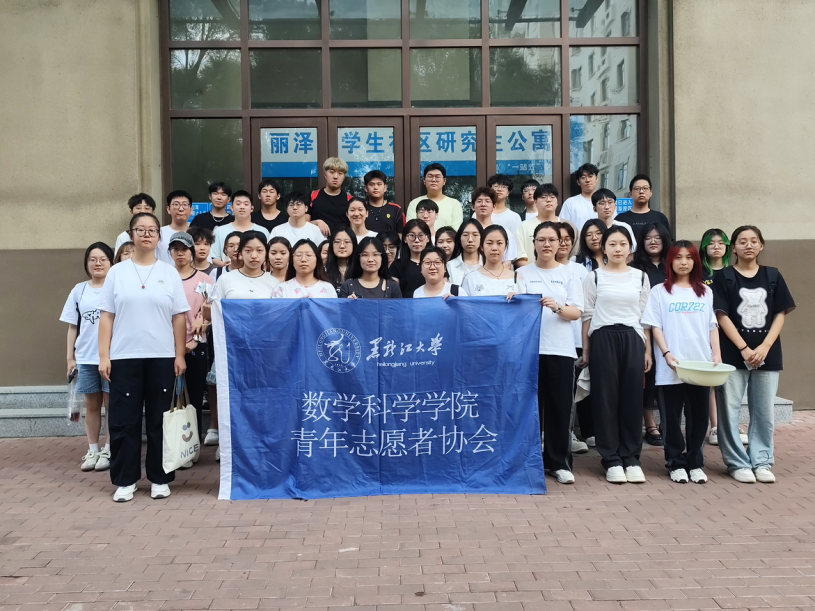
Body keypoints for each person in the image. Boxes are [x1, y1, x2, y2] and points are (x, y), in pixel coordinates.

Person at [97, 212, 190, 502]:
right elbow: (107, 316)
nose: (146, 234)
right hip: (124, 355)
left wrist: (179, 354)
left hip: (162, 355)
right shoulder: (117, 272)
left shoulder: (169, 272)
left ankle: (160, 478)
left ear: (159, 237)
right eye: (140, 229)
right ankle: (126, 480)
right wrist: (104, 356)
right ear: (131, 235)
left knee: (160, 419)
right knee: (124, 419)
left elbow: (178, 317)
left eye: (152, 230)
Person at [712, 226, 795, 484]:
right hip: (732, 354)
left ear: (761, 245)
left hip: (767, 354)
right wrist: (744, 349)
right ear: (733, 248)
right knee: (729, 411)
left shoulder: (773, 275)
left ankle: (761, 460)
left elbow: (780, 313)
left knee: (764, 412)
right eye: (742, 241)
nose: (748, 245)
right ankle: (737, 462)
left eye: (754, 241)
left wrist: (765, 347)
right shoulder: (723, 276)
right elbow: (721, 315)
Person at [642, 241, 719, 485]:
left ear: (695, 261)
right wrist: (666, 353)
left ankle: (695, 463)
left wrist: (716, 355)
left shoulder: (705, 291)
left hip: (700, 365)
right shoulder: (659, 291)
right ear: (670, 261)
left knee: (699, 418)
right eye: (678, 257)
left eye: (689, 257)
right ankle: (675, 463)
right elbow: (655, 325)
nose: (683, 262)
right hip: (671, 366)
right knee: (671, 419)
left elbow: (712, 326)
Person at [581, 225, 651, 484]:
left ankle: (631, 458)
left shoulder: (640, 277)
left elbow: (645, 317)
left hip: (633, 339)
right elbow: (587, 315)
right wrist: (586, 350)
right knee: (605, 400)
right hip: (603, 339)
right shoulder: (594, 277)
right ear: (604, 248)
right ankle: (611, 459)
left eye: (623, 244)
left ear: (630, 248)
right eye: (612, 244)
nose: (618, 249)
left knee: (632, 399)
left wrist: (648, 350)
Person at [517, 222, 584, 484]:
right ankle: (528, 461)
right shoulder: (522, 273)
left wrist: (557, 307)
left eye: (552, 240)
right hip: (529, 351)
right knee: (528, 409)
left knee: (560, 408)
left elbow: (576, 312)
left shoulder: (570, 274)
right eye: (541, 239)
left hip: (560, 349)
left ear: (560, 244)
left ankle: (559, 463)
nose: (547, 244)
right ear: (533, 243)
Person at [201, 231, 279, 454]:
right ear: (239, 253)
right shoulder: (226, 280)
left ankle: (256, 443)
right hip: (232, 349)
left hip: (263, 351)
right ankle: (228, 445)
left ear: (266, 253)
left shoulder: (274, 283)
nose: (254, 255)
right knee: (232, 397)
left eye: (259, 250)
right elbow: (211, 312)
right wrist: (206, 312)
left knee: (258, 398)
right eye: (248, 250)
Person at [60, 242, 115, 472]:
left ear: (111, 262)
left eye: (103, 259)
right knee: (92, 405)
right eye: (93, 259)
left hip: (112, 357)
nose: (98, 263)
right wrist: (70, 358)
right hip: (86, 358)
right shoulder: (79, 290)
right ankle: (93, 449)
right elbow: (73, 327)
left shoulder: (116, 287)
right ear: (87, 263)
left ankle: (109, 449)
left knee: (111, 405)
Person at [168, 232, 214, 459]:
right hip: (166, 348)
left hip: (196, 346)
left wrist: (195, 338)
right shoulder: (164, 278)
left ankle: (191, 448)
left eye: (184, 249)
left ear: (192, 252)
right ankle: (172, 446)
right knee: (168, 399)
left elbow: (210, 311)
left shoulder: (205, 280)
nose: (180, 253)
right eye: (175, 249)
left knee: (193, 398)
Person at [629, 221, 673, 446]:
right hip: (644, 330)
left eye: (657, 237)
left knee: (669, 378)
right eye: (648, 238)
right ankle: (650, 423)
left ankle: (668, 422)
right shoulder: (635, 268)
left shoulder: (673, 265)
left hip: (672, 330)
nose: (653, 241)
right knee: (649, 377)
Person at [555, 222, 591, 453]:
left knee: (572, 392)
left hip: (575, 339)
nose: (563, 243)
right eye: (558, 238)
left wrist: (586, 346)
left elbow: (586, 311)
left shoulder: (580, 271)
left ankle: (569, 434)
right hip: (550, 342)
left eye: (568, 239)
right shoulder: (535, 270)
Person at [699, 228, 738, 446]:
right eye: (711, 243)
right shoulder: (699, 274)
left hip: (731, 333)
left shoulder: (733, 272)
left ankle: (730, 424)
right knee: (712, 379)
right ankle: (714, 426)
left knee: (730, 380)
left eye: (721, 243)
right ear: (704, 247)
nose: (716, 246)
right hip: (706, 332)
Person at [515, 183, 573, 266]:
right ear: (535, 202)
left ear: (557, 202)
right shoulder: (523, 226)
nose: (548, 200)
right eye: (543, 197)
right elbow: (519, 257)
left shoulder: (568, 226)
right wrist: (536, 271)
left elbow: (574, 255)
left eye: (552, 197)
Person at [460, 226, 527, 297]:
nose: (494, 248)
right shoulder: (470, 279)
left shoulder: (517, 278)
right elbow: (464, 303)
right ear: (481, 246)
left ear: (506, 246)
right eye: (489, 243)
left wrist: (518, 299)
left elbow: (525, 303)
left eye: (499, 243)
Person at [211, 190, 270, 266]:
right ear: (232, 207)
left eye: (246, 204)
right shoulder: (220, 231)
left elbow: (268, 257)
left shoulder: (262, 231)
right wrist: (226, 266)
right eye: (238, 204)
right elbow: (214, 257)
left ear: (252, 208)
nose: (242, 207)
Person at [406, 163, 463, 229]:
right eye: (430, 177)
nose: (433, 180)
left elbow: (456, 230)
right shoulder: (414, 203)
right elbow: (411, 229)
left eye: (437, 177)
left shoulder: (454, 204)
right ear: (424, 180)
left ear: (444, 181)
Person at [274, 239, 338, 298]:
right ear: (292, 260)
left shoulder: (328, 288)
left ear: (317, 260)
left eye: (308, 255)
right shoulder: (281, 289)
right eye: (298, 255)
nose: (303, 259)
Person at [471, 187, 518, 264]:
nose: (483, 204)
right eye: (479, 201)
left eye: (487, 201)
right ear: (473, 206)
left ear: (494, 206)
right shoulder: (467, 233)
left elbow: (507, 263)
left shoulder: (505, 233)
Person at [616, 174, 672, 239]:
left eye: (645, 188)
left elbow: (668, 242)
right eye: (637, 189)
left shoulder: (660, 217)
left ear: (651, 193)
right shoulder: (620, 219)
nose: (641, 192)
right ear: (630, 194)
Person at [308, 157, 353, 237]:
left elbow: (355, 227)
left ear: (344, 177)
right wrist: (317, 222)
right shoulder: (313, 196)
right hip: (317, 242)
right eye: (332, 172)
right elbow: (303, 225)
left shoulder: (350, 200)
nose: (335, 176)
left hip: (341, 243)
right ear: (325, 175)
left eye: (340, 173)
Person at [389, 220, 431, 298]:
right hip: (405, 305)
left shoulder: (436, 264)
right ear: (405, 239)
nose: (417, 240)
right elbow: (393, 294)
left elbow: (443, 288)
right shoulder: (397, 265)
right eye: (412, 236)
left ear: (428, 238)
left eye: (421, 235)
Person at [560, 163, 599, 233]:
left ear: (596, 179)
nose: (587, 180)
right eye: (583, 177)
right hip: (578, 240)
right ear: (578, 182)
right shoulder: (570, 203)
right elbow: (563, 228)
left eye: (590, 176)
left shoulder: (605, 202)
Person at [157, 191, 193, 264]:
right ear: (168, 209)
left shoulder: (198, 233)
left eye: (185, 205)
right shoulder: (159, 233)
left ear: (191, 210)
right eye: (176, 204)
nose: (181, 209)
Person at [364, 170, 404, 234]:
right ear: (366, 188)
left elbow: (400, 234)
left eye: (379, 184)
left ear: (385, 187)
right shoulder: (361, 209)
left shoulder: (396, 209)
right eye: (372, 184)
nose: (375, 187)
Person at [447, 219, 483, 285]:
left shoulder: (488, 264)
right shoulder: (450, 266)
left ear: (482, 239)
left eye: (475, 235)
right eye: (465, 235)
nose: (470, 240)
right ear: (459, 239)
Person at [325, 228, 358, 292]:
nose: (342, 246)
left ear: (354, 245)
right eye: (337, 242)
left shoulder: (361, 270)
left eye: (347, 242)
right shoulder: (323, 270)